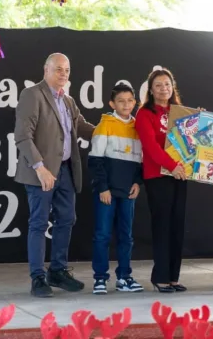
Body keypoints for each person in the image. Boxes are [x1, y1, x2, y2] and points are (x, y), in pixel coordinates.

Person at [14, 53, 96, 298]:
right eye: (59, 69)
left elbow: (83, 127)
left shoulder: (68, 101)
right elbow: (22, 135)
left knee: (67, 220)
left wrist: (116, 127)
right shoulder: (32, 95)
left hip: (66, 170)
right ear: (46, 69)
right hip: (42, 173)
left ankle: (57, 271)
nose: (64, 74)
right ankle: (38, 278)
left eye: (67, 70)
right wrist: (40, 168)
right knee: (39, 223)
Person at [135, 68, 189, 293]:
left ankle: (174, 277)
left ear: (172, 87)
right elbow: (151, 147)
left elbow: (191, 141)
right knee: (162, 226)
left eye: (167, 84)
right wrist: (172, 166)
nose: (163, 89)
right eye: (158, 85)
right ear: (151, 90)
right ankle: (160, 277)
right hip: (158, 175)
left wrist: (200, 119)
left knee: (177, 226)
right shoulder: (144, 114)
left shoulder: (181, 112)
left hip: (180, 174)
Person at [88, 82, 144, 295]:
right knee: (102, 235)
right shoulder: (105, 125)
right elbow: (95, 160)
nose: (126, 104)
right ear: (112, 103)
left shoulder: (137, 127)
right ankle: (100, 278)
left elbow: (140, 161)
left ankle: (124, 277)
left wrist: (138, 182)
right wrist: (103, 187)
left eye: (130, 100)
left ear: (135, 102)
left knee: (126, 236)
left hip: (127, 192)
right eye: (121, 101)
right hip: (107, 192)